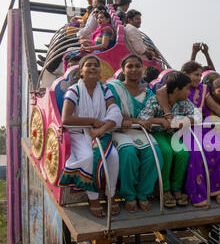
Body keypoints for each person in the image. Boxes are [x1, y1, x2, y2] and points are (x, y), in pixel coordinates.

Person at [58, 55, 123, 218]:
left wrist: (102, 128)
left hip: (101, 132)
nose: (93, 67)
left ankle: (111, 195)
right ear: (81, 71)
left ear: (100, 71)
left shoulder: (106, 90)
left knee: (113, 156)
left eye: (96, 65)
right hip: (79, 133)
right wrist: (93, 121)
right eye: (88, 65)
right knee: (88, 157)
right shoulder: (74, 90)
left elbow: (114, 111)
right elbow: (66, 119)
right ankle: (93, 199)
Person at [106, 54, 164, 213]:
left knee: (155, 154)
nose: (133, 69)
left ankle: (143, 194)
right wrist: (137, 121)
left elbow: (154, 115)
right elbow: (114, 115)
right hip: (119, 130)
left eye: (137, 66)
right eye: (129, 66)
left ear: (142, 69)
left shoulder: (149, 92)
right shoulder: (114, 88)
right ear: (123, 70)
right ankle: (129, 196)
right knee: (128, 152)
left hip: (141, 132)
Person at [138, 72, 195, 208]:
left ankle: (176, 188)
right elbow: (143, 118)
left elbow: (195, 116)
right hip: (156, 133)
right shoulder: (154, 101)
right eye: (187, 88)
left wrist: (184, 121)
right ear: (176, 90)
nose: (189, 92)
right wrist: (158, 120)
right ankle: (165, 189)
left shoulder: (184, 103)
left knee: (183, 153)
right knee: (166, 152)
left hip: (171, 134)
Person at [180, 61, 220, 206]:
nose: (199, 78)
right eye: (196, 75)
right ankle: (196, 193)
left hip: (204, 128)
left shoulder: (204, 89)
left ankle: (216, 190)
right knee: (195, 154)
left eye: (200, 75)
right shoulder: (179, 88)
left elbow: (213, 106)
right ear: (185, 75)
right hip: (185, 129)